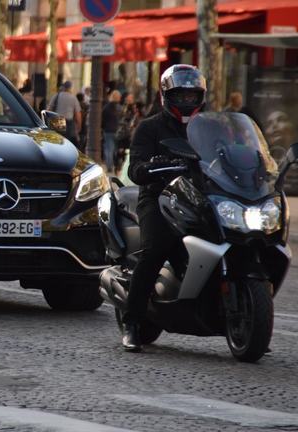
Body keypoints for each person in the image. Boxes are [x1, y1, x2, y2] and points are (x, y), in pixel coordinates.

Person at [123, 64, 207, 352]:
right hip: (159, 197)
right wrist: (150, 166)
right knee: (156, 249)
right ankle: (132, 323)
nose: (186, 102)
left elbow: (228, 152)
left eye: (191, 96)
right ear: (167, 96)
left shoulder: (206, 127)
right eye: (180, 96)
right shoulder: (149, 127)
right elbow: (135, 168)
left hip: (198, 200)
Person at [47, 81, 82, 147]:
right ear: (71, 88)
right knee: (66, 143)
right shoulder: (73, 98)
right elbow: (78, 114)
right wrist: (79, 126)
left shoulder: (56, 96)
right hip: (68, 123)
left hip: (57, 120)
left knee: (56, 142)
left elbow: (48, 109)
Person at [101, 90, 122, 173]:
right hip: (118, 131)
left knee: (108, 149)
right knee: (116, 149)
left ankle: (109, 166)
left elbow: (103, 119)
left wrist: (103, 127)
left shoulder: (106, 107)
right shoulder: (120, 108)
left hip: (108, 130)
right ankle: (117, 165)